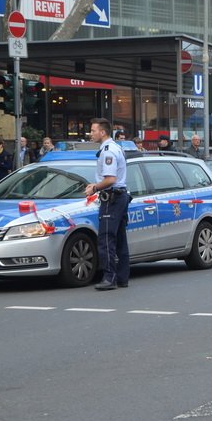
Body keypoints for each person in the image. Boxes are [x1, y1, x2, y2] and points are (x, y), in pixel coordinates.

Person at [84, 117, 130, 291]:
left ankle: (109, 277)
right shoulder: (115, 147)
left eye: (93, 130)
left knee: (106, 239)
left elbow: (110, 179)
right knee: (119, 238)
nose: (91, 133)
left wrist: (94, 187)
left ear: (102, 132)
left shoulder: (108, 151)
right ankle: (122, 277)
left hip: (112, 198)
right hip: (119, 196)